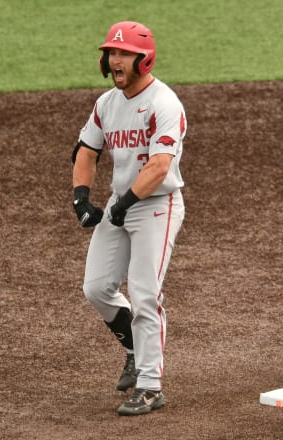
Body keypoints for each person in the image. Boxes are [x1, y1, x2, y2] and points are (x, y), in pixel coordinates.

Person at [70, 21, 187, 416]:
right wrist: (81, 198)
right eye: (111, 53)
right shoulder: (106, 104)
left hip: (157, 206)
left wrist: (125, 203)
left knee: (144, 293)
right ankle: (135, 349)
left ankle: (151, 387)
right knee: (97, 286)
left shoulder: (164, 103)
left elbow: (159, 165)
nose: (114, 60)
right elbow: (86, 151)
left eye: (123, 54)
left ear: (144, 59)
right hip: (123, 202)